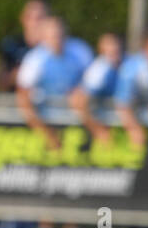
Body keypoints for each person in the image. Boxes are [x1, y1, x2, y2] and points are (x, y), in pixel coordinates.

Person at [15, 15, 91, 150]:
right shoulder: (35, 60)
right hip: (47, 122)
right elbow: (23, 98)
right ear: (43, 37)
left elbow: (92, 84)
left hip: (78, 124)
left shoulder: (80, 52)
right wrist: (47, 134)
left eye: (60, 35)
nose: (57, 40)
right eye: (52, 36)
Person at [70, 31, 124, 144]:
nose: (114, 48)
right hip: (101, 131)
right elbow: (79, 101)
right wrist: (98, 130)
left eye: (115, 44)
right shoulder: (99, 70)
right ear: (101, 48)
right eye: (109, 45)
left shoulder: (126, 64)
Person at [0, 0, 50, 90]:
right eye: (32, 18)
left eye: (41, 18)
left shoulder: (54, 47)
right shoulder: (11, 45)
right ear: (23, 19)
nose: (36, 23)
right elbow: (1, 82)